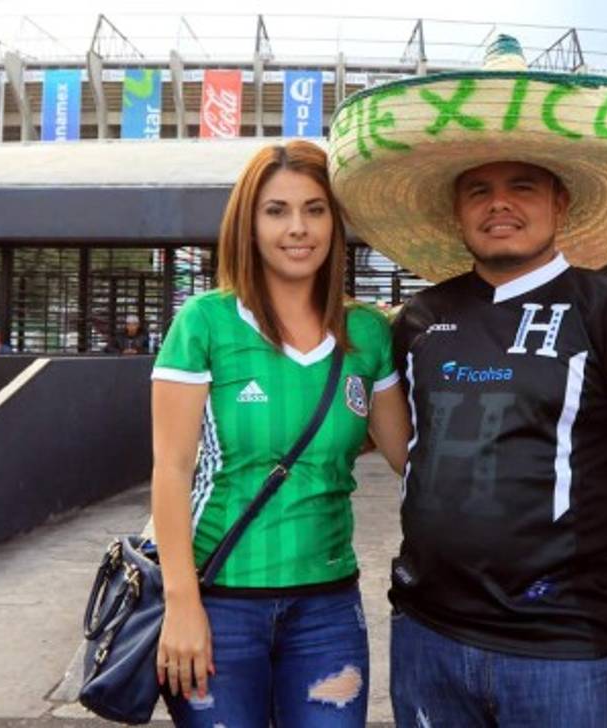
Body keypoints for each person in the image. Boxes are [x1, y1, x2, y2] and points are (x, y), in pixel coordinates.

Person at [328, 35, 607, 728]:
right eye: (479, 190)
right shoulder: (417, 320)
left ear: (561, 202)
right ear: (457, 210)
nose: (499, 204)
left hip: (568, 654)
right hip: (425, 638)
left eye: (521, 186)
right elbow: (408, 450)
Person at [149, 140, 410, 727]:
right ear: (249, 222)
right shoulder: (205, 322)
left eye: (315, 209)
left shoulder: (367, 333)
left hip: (328, 610)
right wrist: (181, 602)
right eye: (277, 210)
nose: (298, 228)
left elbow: (408, 456)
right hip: (218, 605)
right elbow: (171, 469)